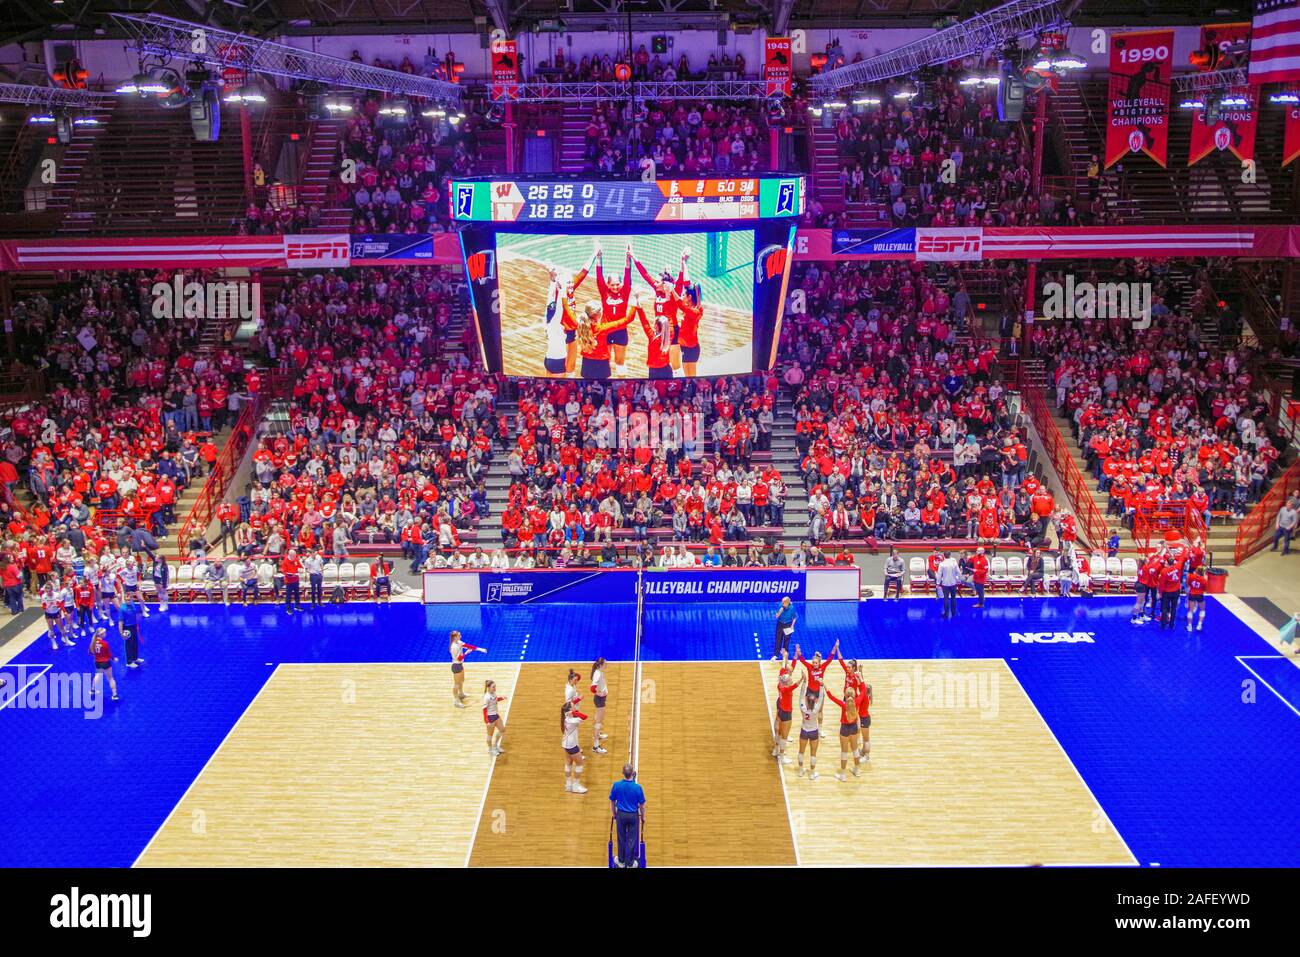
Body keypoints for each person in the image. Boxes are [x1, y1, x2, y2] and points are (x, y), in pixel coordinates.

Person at [609, 763, 646, 868]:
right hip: (633, 816)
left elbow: (612, 801)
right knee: (632, 839)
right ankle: (630, 863)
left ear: (623, 773)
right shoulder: (637, 787)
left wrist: (614, 813)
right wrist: (643, 817)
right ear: (632, 773)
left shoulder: (616, 785)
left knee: (621, 838)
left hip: (621, 815)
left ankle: (621, 861)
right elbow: (642, 806)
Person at [771, 648, 800, 764]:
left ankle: (776, 749)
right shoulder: (787, 686)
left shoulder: (782, 678)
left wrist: (789, 656)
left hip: (780, 703)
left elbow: (788, 665)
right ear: (788, 673)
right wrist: (802, 679)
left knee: (778, 725)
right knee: (780, 729)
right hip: (785, 707)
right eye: (790, 670)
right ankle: (781, 754)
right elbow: (795, 684)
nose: (792, 669)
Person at [450, 630, 485, 707]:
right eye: (459, 635)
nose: (460, 636)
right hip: (456, 666)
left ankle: (461, 694)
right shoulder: (454, 647)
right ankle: (456, 701)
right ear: (455, 637)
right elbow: (459, 658)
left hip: (460, 665)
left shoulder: (459, 642)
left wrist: (480, 649)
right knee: (456, 684)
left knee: (462, 680)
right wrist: (467, 653)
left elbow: (468, 646)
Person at [561, 701, 589, 793]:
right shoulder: (572, 720)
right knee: (580, 764)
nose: (575, 707)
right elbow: (585, 717)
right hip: (572, 745)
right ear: (569, 710)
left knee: (568, 763)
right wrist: (574, 713)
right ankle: (575, 786)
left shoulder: (565, 717)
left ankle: (568, 785)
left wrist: (577, 701)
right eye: (573, 707)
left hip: (565, 743)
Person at [88, 629, 119, 702]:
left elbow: (91, 652)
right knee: (111, 678)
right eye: (104, 633)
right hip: (106, 663)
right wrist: (114, 659)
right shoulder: (105, 644)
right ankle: (114, 695)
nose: (105, 634)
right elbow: (109, 654)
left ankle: (93, 690)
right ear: (101, 634)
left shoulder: (93, 642)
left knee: (98, 675)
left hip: (97, 662)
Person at [118, 592, 145, 669]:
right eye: (126, 600)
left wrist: (136, 625)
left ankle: (135, 658)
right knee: (128, 645)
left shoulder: (132, 604)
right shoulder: (123, 609)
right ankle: (129, 662)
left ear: (132, 599)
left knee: (134, 643)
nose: (127, 601)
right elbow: (120, 621)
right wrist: (121, 632)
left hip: (133, 626)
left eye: (129, 599)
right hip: (127, 628)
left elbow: (135, 615)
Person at [589, 657, 610, 754]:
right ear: (601, 665)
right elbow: (592, 688)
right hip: (599, 699)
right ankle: (596, 746)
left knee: (598, 719)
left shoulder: (599, 672)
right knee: (598, 721)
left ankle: (596, 735)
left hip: (600, 699)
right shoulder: (597, 674)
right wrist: (600, 694)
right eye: (605, 663)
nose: (607, 664)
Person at [482, 679, 507, 755]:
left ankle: (495, 746)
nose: (495, 688)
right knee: (490, 735)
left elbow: (495, 700)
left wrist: (501, 698)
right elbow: (484, 710)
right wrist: (487, 721)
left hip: (496, 715)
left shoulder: (494, 693)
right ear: (488, 687)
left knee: (502, 729)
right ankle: (490, 750)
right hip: (490, 717)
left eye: (495, 686)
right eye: (493, 687)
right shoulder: (486, 697)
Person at [937, 551, 961, 619]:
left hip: (945, 584)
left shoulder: (942, 564)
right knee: (953, 598)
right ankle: (953, 613)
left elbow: (939, 575)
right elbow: (958, 572)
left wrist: (938, 583)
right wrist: (959, 580)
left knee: (946, 599)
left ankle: (946, 613)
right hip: (953, 583)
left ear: (944, 556)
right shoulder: (954, 563)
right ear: (950, 555)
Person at [772, 595, 796, 660]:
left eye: (783, 602)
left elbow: (794, 617)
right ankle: (775, 655)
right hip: (780, 624)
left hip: (788, 624)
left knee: (786, 640)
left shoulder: (792, 608)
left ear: (787, 603)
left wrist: (792, 626)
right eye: (782, 602)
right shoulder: (780, 606)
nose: (782, 603)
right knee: (778, 639)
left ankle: (785, 654)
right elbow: (776, 616)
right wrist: (780, 611)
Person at [1186, 565, 1207, 632]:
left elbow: (1188, 584)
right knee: (1202, 610)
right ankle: (1199, 625)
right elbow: (1205, 589)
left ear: (1196, 570)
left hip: (1192, 594)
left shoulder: (1190, 576)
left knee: (1190, 611)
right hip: (1200, 595)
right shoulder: (1204, 579)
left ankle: (1189, 626)